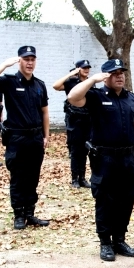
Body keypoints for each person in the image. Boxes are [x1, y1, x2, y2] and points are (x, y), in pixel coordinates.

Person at [66, 59, 134, 261]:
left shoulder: (132, 99)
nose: (119, 76)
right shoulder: (95, 96)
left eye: (122, 72)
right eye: (114, 73)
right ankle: (105, 242)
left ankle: (119, 239)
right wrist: (92, 79)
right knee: (105, 200)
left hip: (127, 157)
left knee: (126, 199)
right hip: (104, 158)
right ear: (105, 76)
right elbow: (72, 97)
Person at [0, 46, 50, 230]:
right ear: (19, 60)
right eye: (26, 59)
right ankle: (18, 214)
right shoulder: (9, 82)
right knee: (18, 178)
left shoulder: (39, 85)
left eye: (32, 59)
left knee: (33, 177)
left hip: (35, 138)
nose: (29, 63)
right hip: (17, 138)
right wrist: (4, 65)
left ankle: (30, 213)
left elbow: (44, 111)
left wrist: (46, 135)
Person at [52, 59, 93, 189]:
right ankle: (74, 178)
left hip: (87, 120)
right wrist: (71, 74)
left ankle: (82, 178)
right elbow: (56, 86)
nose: (86, 70)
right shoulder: (71, 82)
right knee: (76, 151)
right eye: (83, 68)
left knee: (85, 150)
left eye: (88, 68)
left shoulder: (90, 83)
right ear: (77, 69)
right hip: (75, 121)